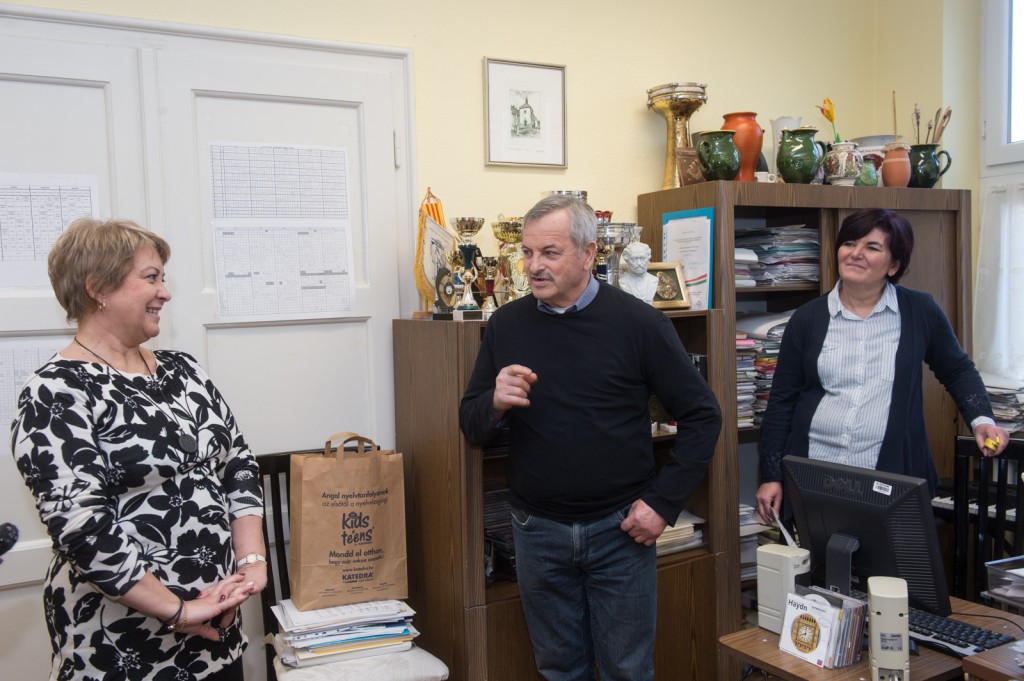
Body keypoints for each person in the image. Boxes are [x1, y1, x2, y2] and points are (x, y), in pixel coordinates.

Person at [459, 194, 721, 680]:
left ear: (588, 254)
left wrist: (663, 504)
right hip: (537, 532)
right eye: (528, 252)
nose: (534, 266)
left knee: (627, 670)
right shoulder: (506, 324)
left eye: (550, 252)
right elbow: (471, 426)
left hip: (620, 530)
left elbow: (703, 415)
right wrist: (493, 401)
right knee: (559, 669)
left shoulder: (640, 324)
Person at [10, 218, 267, 681]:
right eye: (151, 278)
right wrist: (178, 610)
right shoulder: (55, 392)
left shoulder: (183, 369)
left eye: (163, 279)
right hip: (122, 647)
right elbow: (81, 527)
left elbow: (238, 463)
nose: (165, 293)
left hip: (218, 630)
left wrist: (252, 564)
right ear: (98, 288)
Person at [755, 208, 1009, 525]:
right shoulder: (807, 318)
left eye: (872, 247)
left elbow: (958, 370)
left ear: (894, 265)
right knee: (819, 556)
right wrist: (771, 475)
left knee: (893, 557)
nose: (855, 254)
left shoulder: (920, 310)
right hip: (814, 473)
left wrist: (981, 420)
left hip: (891, 476)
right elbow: (782, 401)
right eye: (849, 243)